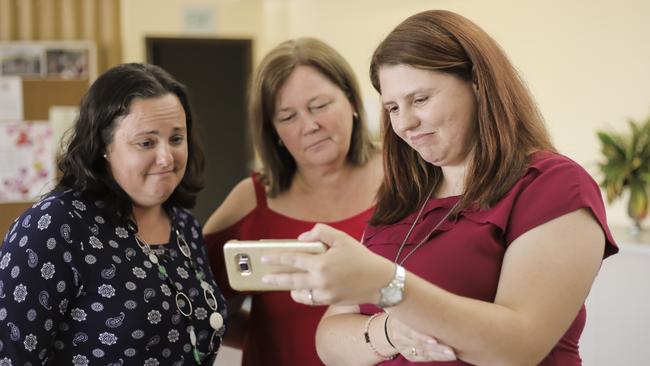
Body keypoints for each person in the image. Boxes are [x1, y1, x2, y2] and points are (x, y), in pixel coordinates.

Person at [260, 10, 619, 366]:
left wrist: (388, 285)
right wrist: (391, 332)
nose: (405, 122)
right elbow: (330, 341)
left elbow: (517, 347)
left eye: (420, 100)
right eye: (392, 107)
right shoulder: (406, 196)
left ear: (478, 84)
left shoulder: (553, 186)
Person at [0, 63, 226, 365]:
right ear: (103, 147)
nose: (166, 157)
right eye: (146, 142)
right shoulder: (54, 227)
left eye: (176, 139)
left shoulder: (185, 226)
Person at [202, 37, 384, 366]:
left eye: (320, 106)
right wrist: (265, 336)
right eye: (288, 117)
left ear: (352, 101)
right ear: (273, 132)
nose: (310, 125)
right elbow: (198, 300)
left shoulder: (406, 178)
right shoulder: (251, 199)